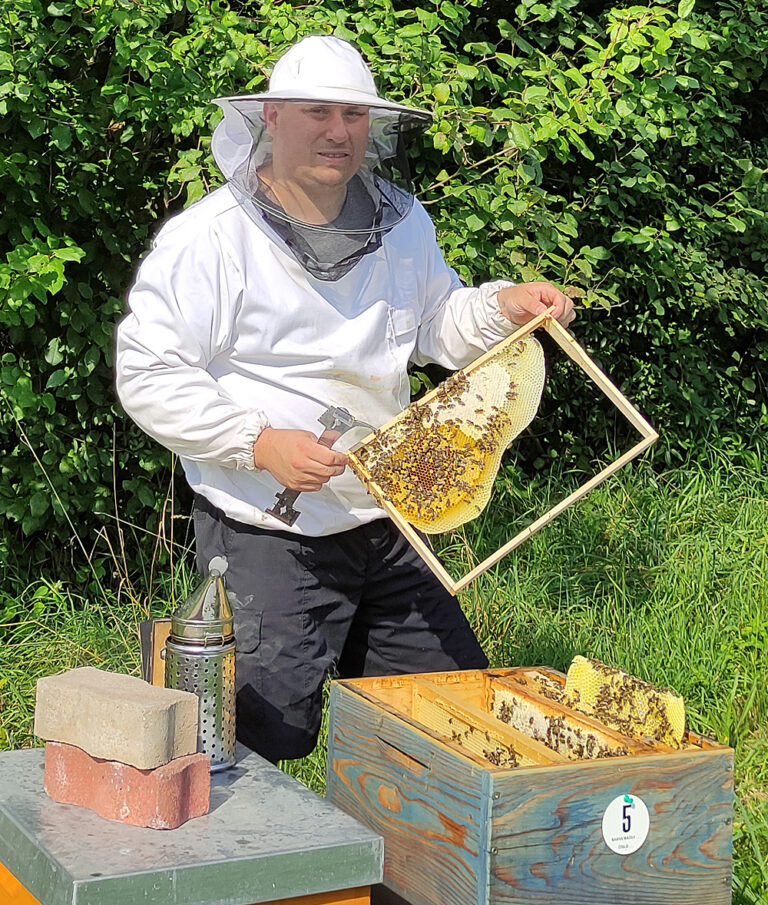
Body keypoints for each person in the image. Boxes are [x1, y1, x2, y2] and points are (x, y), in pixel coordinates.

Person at [116, 35, 574, 762]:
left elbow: (434, 326)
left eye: (354, 116)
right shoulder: (210, 239)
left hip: (389, 511)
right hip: (269, 526)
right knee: (253, 738)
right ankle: (256, 871)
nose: (339, 131)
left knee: (439, 719)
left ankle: (405, 872)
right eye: (317, 112)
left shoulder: (400, 224)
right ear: (271, 117)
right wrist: (257, 442)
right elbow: (147, 370)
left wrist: (501, 308)